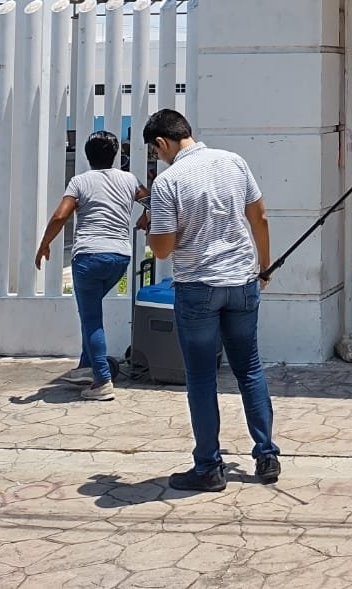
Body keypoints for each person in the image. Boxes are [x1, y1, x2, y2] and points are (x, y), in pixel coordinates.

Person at [141, 109, 280, 492]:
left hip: (198, 288)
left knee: (202, 379)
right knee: (249, 368)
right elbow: (261, 218)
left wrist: (153, 224)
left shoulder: (167, 182)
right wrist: (263, 267)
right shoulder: (233, 162)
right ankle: (266, 454)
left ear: (161, 143)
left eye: (155, 151)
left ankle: (208, 466)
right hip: (241, 282)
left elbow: (164, 250)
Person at [34, 131, 144, 401]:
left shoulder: (80, 181)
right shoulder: (128, 179)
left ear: (87, 155)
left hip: (88, 257)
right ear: (116, 154)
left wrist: (44, 244)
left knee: (91, 317)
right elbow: (152, 200)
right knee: (89, 310)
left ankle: (102, 381)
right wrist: (147, 218)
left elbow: (60, 215)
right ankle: (86, 366)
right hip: (119, 258)